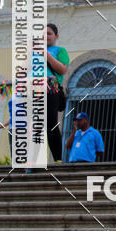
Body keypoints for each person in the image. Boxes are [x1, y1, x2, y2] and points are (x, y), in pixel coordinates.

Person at [45, 23, 69, 163]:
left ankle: (57, 159)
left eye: (48, 33)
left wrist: (47, 55)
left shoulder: (60, 50)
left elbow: (62, 70)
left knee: (50, 124)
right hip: (32, 90)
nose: (45, 37)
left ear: (56, 36)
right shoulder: (32, 52)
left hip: (50, 89)